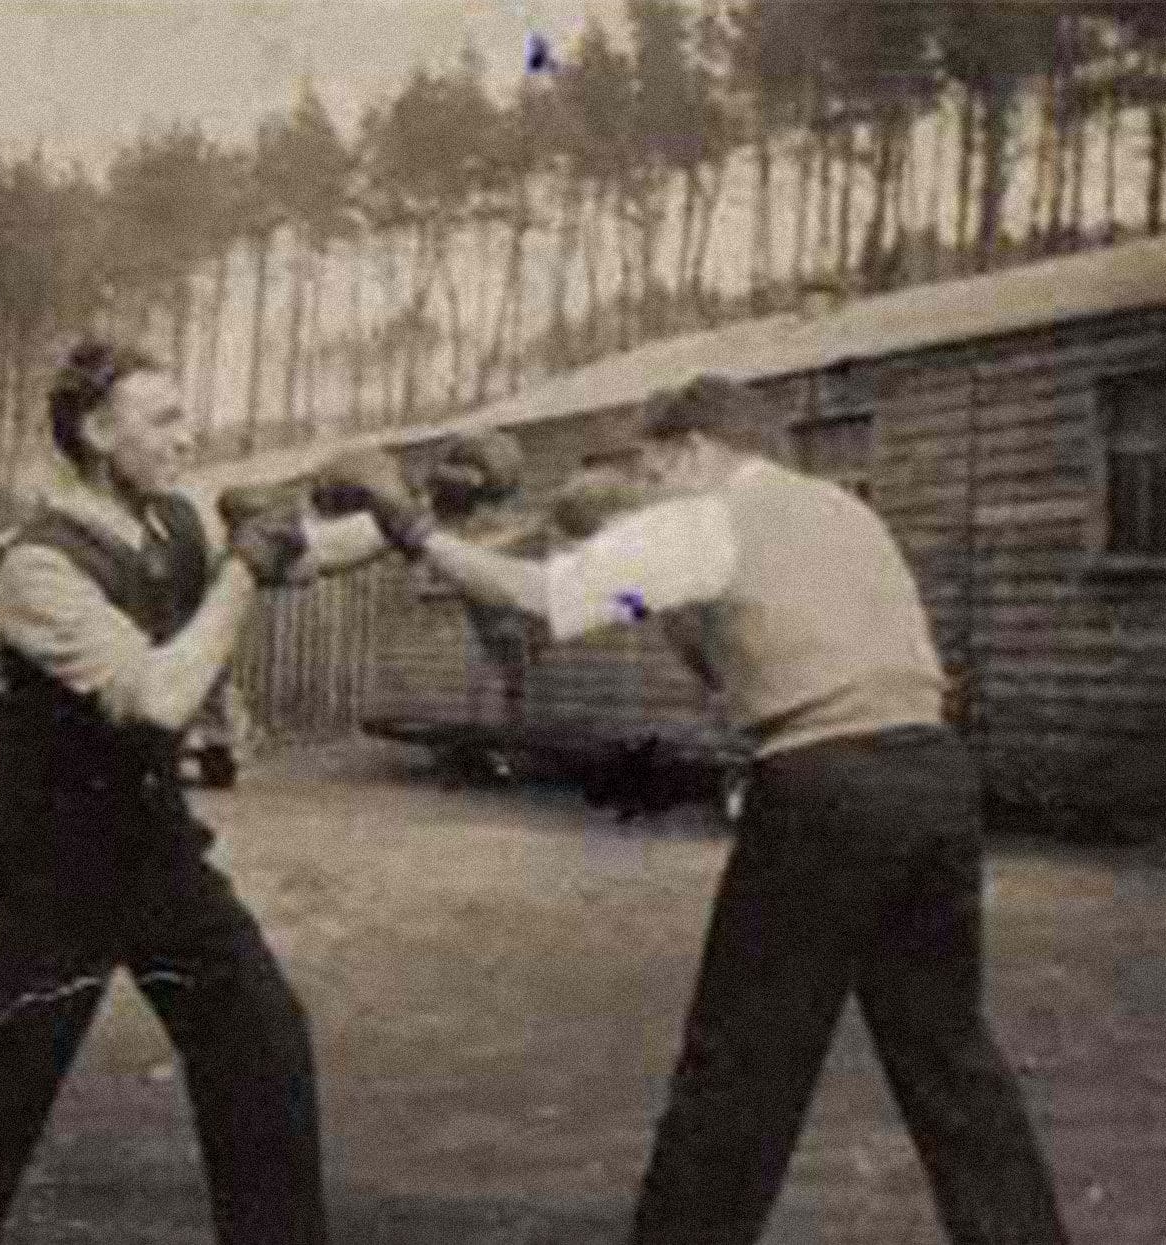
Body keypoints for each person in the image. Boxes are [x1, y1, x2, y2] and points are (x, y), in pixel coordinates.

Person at [312, 374, 1069, 1244]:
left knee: (741, 1063)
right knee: (947, 1055)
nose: (645, 489)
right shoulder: (840, 509)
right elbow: (748, 653)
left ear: (693, 449)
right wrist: (661, 599)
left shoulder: (707, 516)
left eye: (649, 466)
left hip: (825, 786)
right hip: (932, 779)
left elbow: (545, 599)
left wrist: (414, 530)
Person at [0, 340, 387, 1245]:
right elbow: (158, 696)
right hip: (43, 869)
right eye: (164, 419)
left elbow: (303, 552)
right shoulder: (38, 570)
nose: (188, 437)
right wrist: (243, 571)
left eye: (186, 416)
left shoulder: (173, 523)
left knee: (262, 1046)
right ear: (99, 432)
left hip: (150, 846)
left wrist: (423, 517)